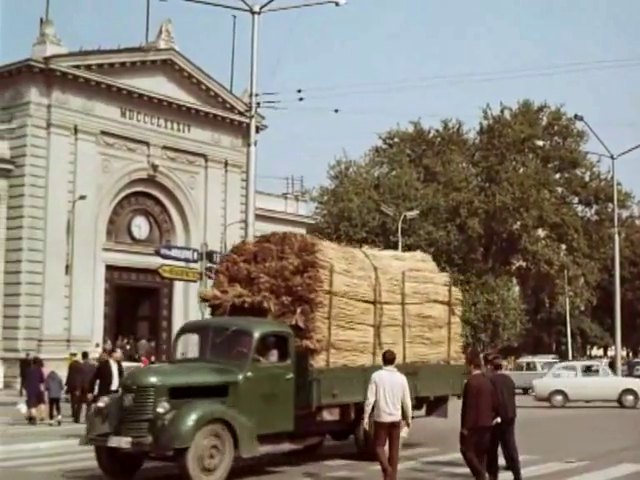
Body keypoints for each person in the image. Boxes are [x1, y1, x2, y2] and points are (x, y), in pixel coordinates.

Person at [363, 349, 412, 480]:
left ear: (382, 360)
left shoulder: (376, 376)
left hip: (381, 418)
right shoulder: (402, 378)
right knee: (394, 452)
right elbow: (406, 400)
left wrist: (366, 416)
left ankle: (386, 469)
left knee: (379, 447)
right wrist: (409, 418)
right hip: (396, 418)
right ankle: (391, 476)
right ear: (395, 361)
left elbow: (370, 399)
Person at [460, 349, 498, 480]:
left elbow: (468, 407)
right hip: (487, 424)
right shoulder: (487, 381)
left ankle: (481, 475)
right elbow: (494, 402)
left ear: (470, 366)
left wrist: (465, 427)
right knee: (481, 454)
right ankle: (480, 475)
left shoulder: (471, 383)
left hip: (473, 426)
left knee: (467, 450)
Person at [486, 355, 522, 480]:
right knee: (510, 446)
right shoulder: (509, 380)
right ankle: (517, 474)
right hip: (510, 416)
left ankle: (493, 475)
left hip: (496, 418)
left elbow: (492, 400)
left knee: (492, 448)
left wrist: (494, 415)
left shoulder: (490, 380)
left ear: (491, 367)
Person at [25, 356, 46, 425]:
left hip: (30, 389)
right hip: (38, 388)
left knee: (31, 405)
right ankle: (42, 415)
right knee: (41, 402)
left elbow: (25, 380)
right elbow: (42, 380)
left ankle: (34, 417)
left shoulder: (28, 370)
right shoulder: (39, 369)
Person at [65, 352, 84, 423]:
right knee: (78, 400)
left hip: (72, 384)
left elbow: (69, 374)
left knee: (73, 400)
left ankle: (73, 413)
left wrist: (67, 384)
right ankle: (76, 413)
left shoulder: (71, 364)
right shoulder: (81, 365)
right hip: (78, 384)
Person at [80, 351, 97, 422]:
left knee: (83, 402)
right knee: (90, 403)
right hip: (91, 386)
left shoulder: (80, 366)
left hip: (83, 386)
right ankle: (89, 418)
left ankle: (82, 418)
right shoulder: (93, 366)